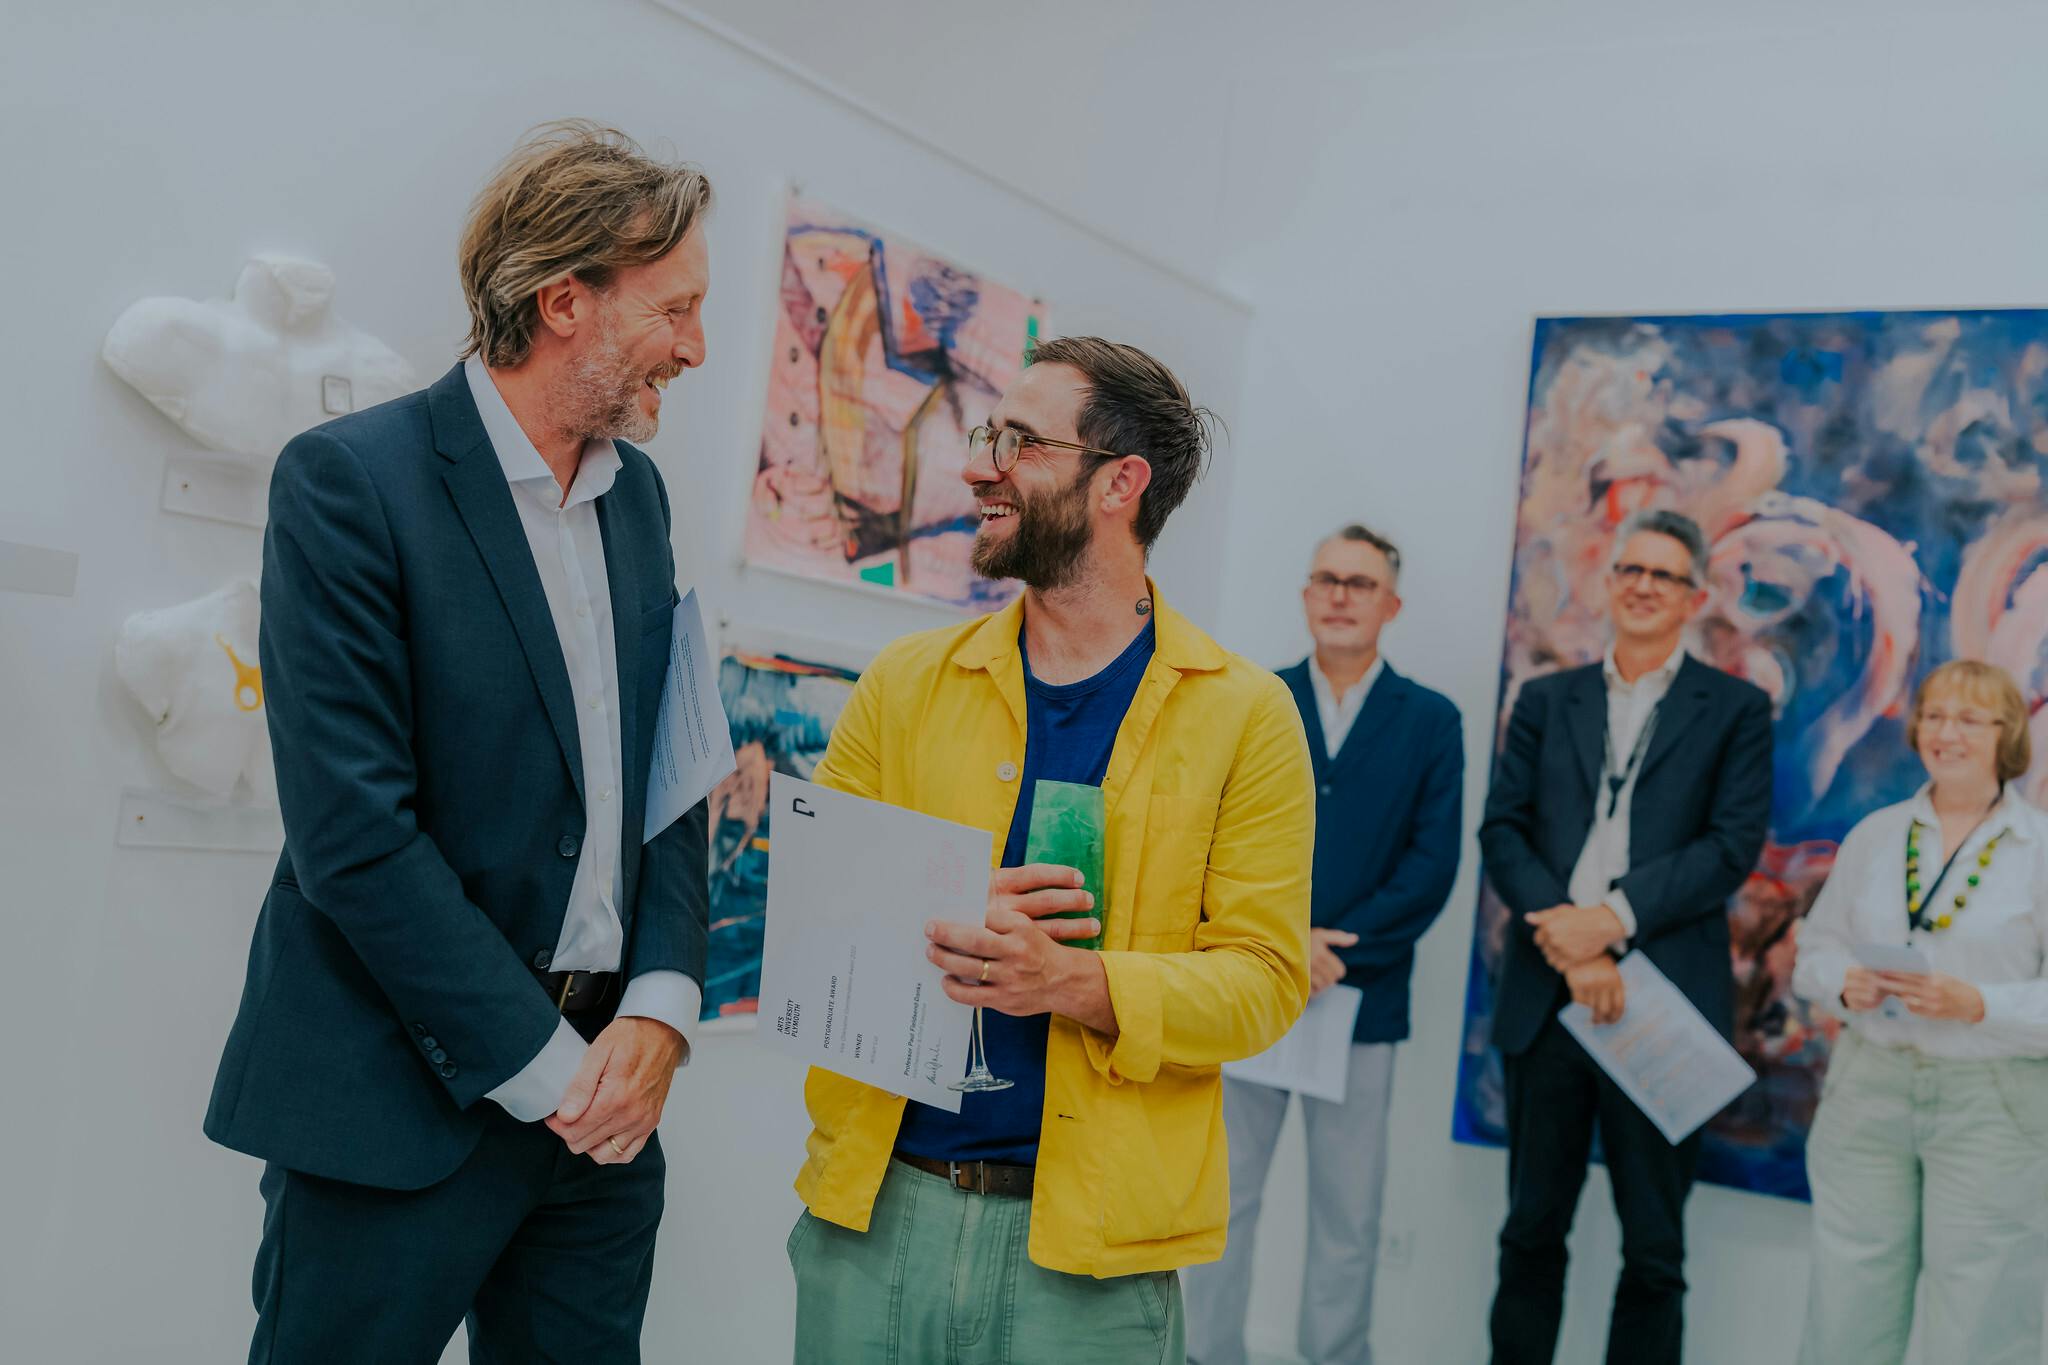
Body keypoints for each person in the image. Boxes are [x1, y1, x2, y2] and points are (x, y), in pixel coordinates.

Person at [204, 122, 714, 1363]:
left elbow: (672, 771)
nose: (696, 349)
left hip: (605, 1124)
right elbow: (352, 836)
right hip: (395, 1104)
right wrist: (549, 1070)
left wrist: (659, 1009)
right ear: (562, 304)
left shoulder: (639, 497)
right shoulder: (349, 483)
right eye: (675, 310)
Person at [785, 336, 1316, 1363]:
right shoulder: (904, 685)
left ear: (1119, 483)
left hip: (1088, 1268)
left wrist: (1074, 982)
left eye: (1017, 442)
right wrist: (935, 905)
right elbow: (806, 905)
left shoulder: (1247, 717)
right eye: (988, 434)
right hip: (873, 1221)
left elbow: (1261, 983)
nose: (977, 465)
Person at [1478, 507, 1773, 1365]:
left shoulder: (1737, 711)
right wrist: (1573, 945)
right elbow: (1504, 831)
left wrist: (1607, 924)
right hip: (1547, 996)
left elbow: (1729, 847)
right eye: (1630, 570)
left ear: (1697, 596)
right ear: (1610, 584)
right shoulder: (1544, 699)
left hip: (1665, 1005)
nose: (1644, 586)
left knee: (1654, 1250)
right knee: (1531, 1229)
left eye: (1665, 575)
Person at [1186, 524, 1464, 1365]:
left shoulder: (1431, 720)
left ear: (1392, 604)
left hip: (1361, 1001)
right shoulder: (1252, 698)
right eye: (1327, 579)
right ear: (1306, 594)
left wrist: (1335, 949)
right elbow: (1209, 839)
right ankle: (1204, 1352)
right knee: (1224, 1200)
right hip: (1249, 990)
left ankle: (1336, 1354)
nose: (1341, 594)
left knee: (1350, 1213)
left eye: (1360, 582)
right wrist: (1283, 942)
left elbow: (1433, 862)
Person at [1791, 660, 2048, 1365]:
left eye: (1969, 718)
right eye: (1934, 714)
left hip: (1991, 1103)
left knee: (1981, 1322)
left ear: (2008, 735)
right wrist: (1848, 983)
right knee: (1847, 1309)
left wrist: (1979, 1003)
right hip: (1870, 1087)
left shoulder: (2040, 851)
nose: (1946, 732)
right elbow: (1815, 950)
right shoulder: (1877, 834)